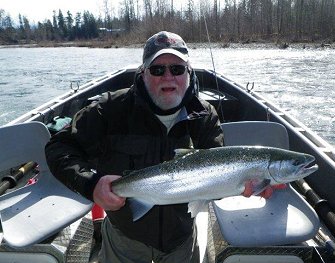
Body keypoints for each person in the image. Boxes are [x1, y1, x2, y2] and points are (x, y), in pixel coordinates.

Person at [45, 31, 278, 263]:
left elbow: (218, 178)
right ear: (143, 73)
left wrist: (250, 183)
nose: (168, 77)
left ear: (188, 73)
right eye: (157, 69)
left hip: (181, 240)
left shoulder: (205, 116)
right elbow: (58, 147)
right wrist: (92, 184)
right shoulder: (109, 110)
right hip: (124, 237)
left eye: (177, 69)